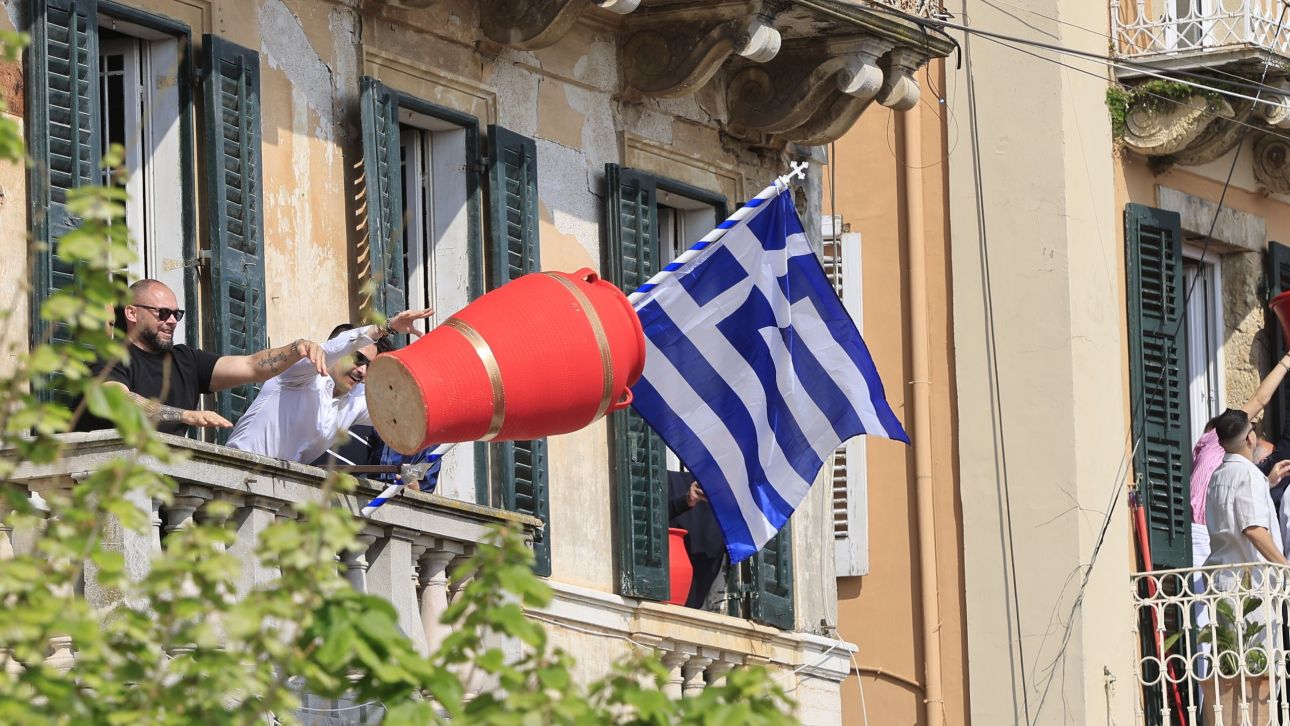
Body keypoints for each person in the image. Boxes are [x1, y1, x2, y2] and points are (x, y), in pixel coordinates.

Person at [75, 279, 328, 436]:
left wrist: (297, 348)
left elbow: (252, 366)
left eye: (177, 314)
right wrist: (185, 415)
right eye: (162, 313)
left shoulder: (186, 360)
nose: (172, 321)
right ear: (131, 313)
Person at [225, 309, 432, 464]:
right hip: (236, 472)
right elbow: (331, 348)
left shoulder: (356, 400)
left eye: (369, 366)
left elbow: (403, 411)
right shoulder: (300, 373)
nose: (362, 371)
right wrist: (384, 327)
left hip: (274, 498)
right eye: (358, 358)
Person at [1191, 350, 1290, 571]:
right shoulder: (1218, 442)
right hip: (1203, 537)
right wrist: (1286, 361)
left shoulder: (1219, 468)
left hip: (1211, 541)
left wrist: (1267, 482)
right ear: (1248, 438)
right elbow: (1260, 399)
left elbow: (1232, 499)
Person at [668, 470, 726, 611]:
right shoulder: (663, 479)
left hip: (694, 612)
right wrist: (685, 500)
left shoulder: (736, 501)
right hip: (661, 601)